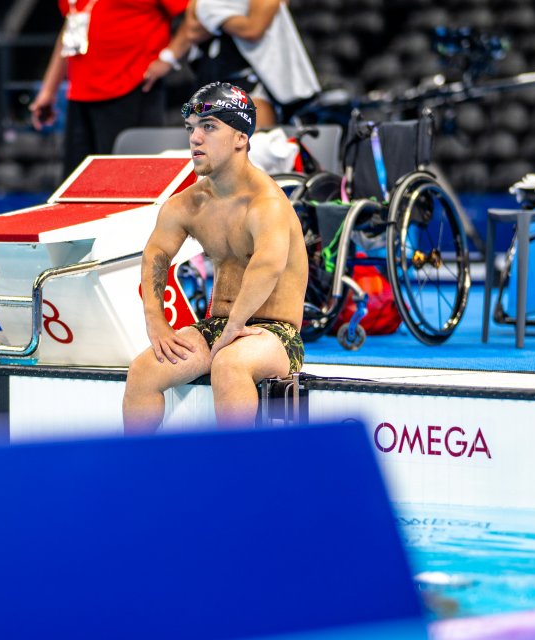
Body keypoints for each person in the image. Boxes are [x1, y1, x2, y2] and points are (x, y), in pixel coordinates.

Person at [123, 82, 307, 431]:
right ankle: (136, 475)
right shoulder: (190, 204)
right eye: (191, 128)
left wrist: (237, 326)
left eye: (209, 128)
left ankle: (236, 477)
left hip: (274, 334)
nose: (195, 138)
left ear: (240, 137)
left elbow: (266, 268)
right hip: (220, 326)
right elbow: (156, 254)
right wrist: (155, 320)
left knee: (229, 365)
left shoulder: (266, 204)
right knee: (143, 370)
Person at [29, 0, 188, 178]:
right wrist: (49, 90)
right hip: (80, 95)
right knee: (76, 184)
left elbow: (194, 15)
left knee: (128, 182)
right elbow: (70, 27)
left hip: (131, 88)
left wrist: (169, 57)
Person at [142, 0, 320, 129]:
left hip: (252, 83)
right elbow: (192, 30)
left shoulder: (211, 9)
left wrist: (212, 14)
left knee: (255, 153)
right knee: (207, 158)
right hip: (210, 80)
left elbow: (253, 29)